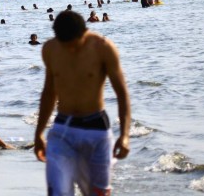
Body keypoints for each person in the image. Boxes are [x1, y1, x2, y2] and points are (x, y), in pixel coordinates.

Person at [34, 11, 131, 196]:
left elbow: (122, 94)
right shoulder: (50, 48)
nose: (69, 49)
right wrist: (39, 133)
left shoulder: (103, 48)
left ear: (84, 33)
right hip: (62, 130)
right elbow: (49, 92)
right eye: (64, 44)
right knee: (58, 192)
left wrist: (125, 135)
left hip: (97, 131)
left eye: (73, 45)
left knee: (97, 193)